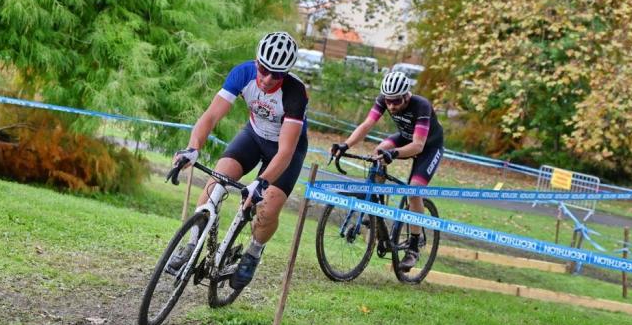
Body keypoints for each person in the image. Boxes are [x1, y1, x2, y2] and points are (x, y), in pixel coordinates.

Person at [169, 31, 308, 291]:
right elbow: (211, 116)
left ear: (286, 73)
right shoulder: (243, 73)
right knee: (216, 181)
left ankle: (253, 253)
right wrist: (192, 148)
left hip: (285, 150)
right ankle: (191, 245)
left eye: (276, 75)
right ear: (257, 61)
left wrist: (262, 182)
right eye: (264, 69)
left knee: (267, 208)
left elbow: (286, 151)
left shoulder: (295, 93)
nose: (267, 79)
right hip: (253, 137)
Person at [331, 71, 444, 271]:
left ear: (407, 95)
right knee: (378, 153)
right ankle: (375, 208)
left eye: (396, 101)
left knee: (414, 188)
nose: (391, 106)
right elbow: (367, 125)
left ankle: (413, 246)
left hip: (428, 146)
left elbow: (418, 146)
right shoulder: (385, 99)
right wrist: (345, 145)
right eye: (388, 101)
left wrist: (394, 153)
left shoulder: (422, 106)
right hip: (405, 137)